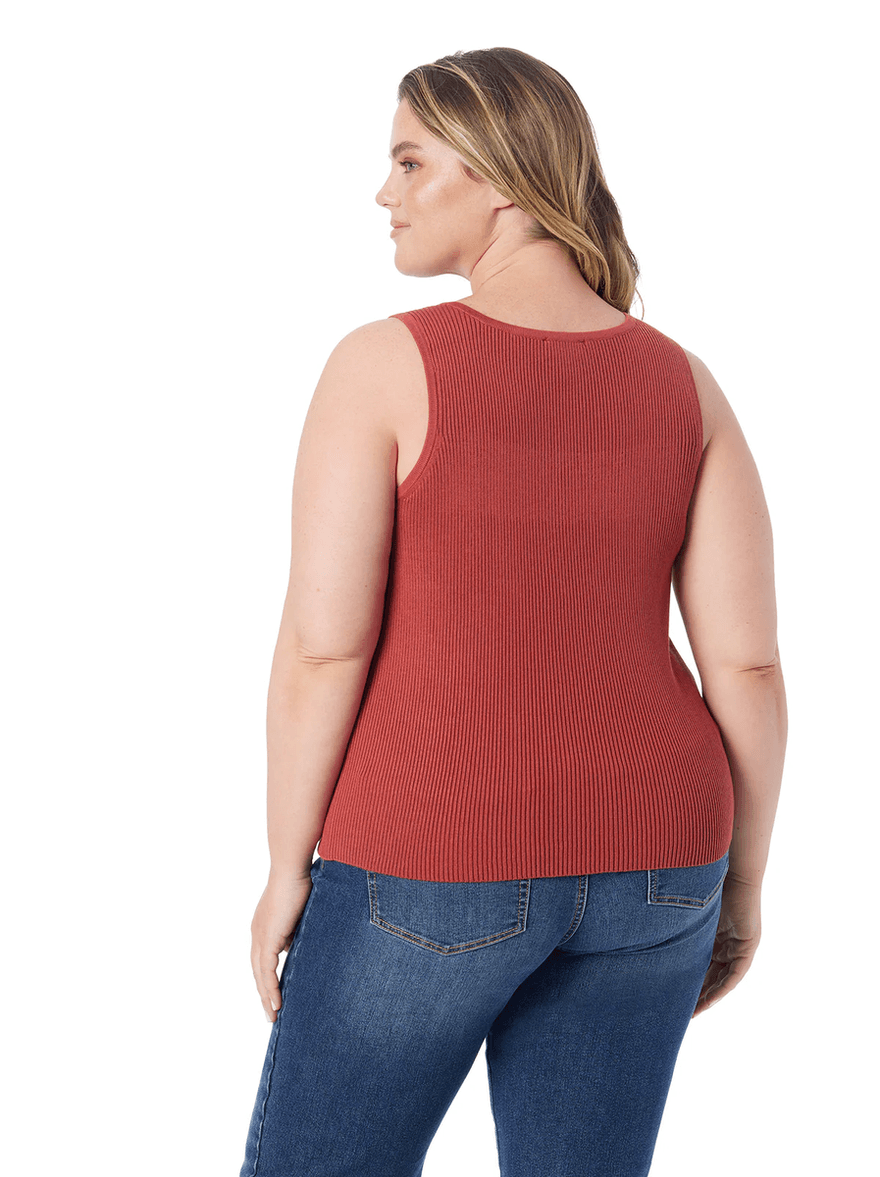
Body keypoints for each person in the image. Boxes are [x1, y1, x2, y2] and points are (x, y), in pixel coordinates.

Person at [238, 46, 787, 1177]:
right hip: (660, 861)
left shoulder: (384, 365)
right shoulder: (685, 382)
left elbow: (324, 646)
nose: (383, 193)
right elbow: (746, 667)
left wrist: (288, 866)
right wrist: (740, 879)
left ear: (495, 176)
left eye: (409, 161)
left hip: (430, 852)